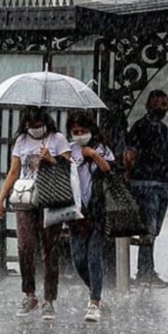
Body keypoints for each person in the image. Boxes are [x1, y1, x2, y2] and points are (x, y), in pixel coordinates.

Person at [0, 106, 71, 320]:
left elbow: (68, 168)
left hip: (50, 198)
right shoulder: (22, 141)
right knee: (25, 246)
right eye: (31, 126)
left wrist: (51, 160)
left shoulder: (57, 139)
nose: (35, 130)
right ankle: (29, 293)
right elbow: (14, 171)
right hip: (26, 198)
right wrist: (1, 200)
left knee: (49, 249)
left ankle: (49, 298)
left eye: (38, 126)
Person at [66, 111, 114, 322]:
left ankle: (94, 301)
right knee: (78, 258)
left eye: (83, 131)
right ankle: (96, 290)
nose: (79, 135)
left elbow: (109, 169)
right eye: (75, 132)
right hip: (76, 213)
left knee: (94, 256)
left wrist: (93, 154)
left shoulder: (101, 148)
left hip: (98, 211)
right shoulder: (68, 150)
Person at [124, 90, 168, 288]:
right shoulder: (140, 127)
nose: (162, 107)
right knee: (148, 229)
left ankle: (146, 269)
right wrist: (131, 175)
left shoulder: (163, 129)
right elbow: (129, 155)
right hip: (145, 184)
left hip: (160, 183)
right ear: (149, 105)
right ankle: (145, 271)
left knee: (153, 229)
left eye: (165, 104)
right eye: (158, 103)